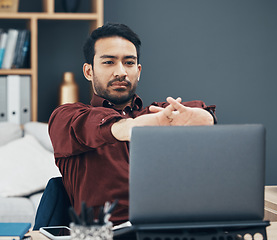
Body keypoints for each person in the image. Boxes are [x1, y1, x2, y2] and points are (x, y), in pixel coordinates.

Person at [48, 23, 216, 225]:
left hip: (167, 230)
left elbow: (197, 112)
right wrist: (130, 128)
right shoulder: (67, 116)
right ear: (88, 71)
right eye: (109, 62)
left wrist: (206, 119)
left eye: (128, 63)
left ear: (138, 70)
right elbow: (90, 125)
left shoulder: (159, 114)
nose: (121, 72)